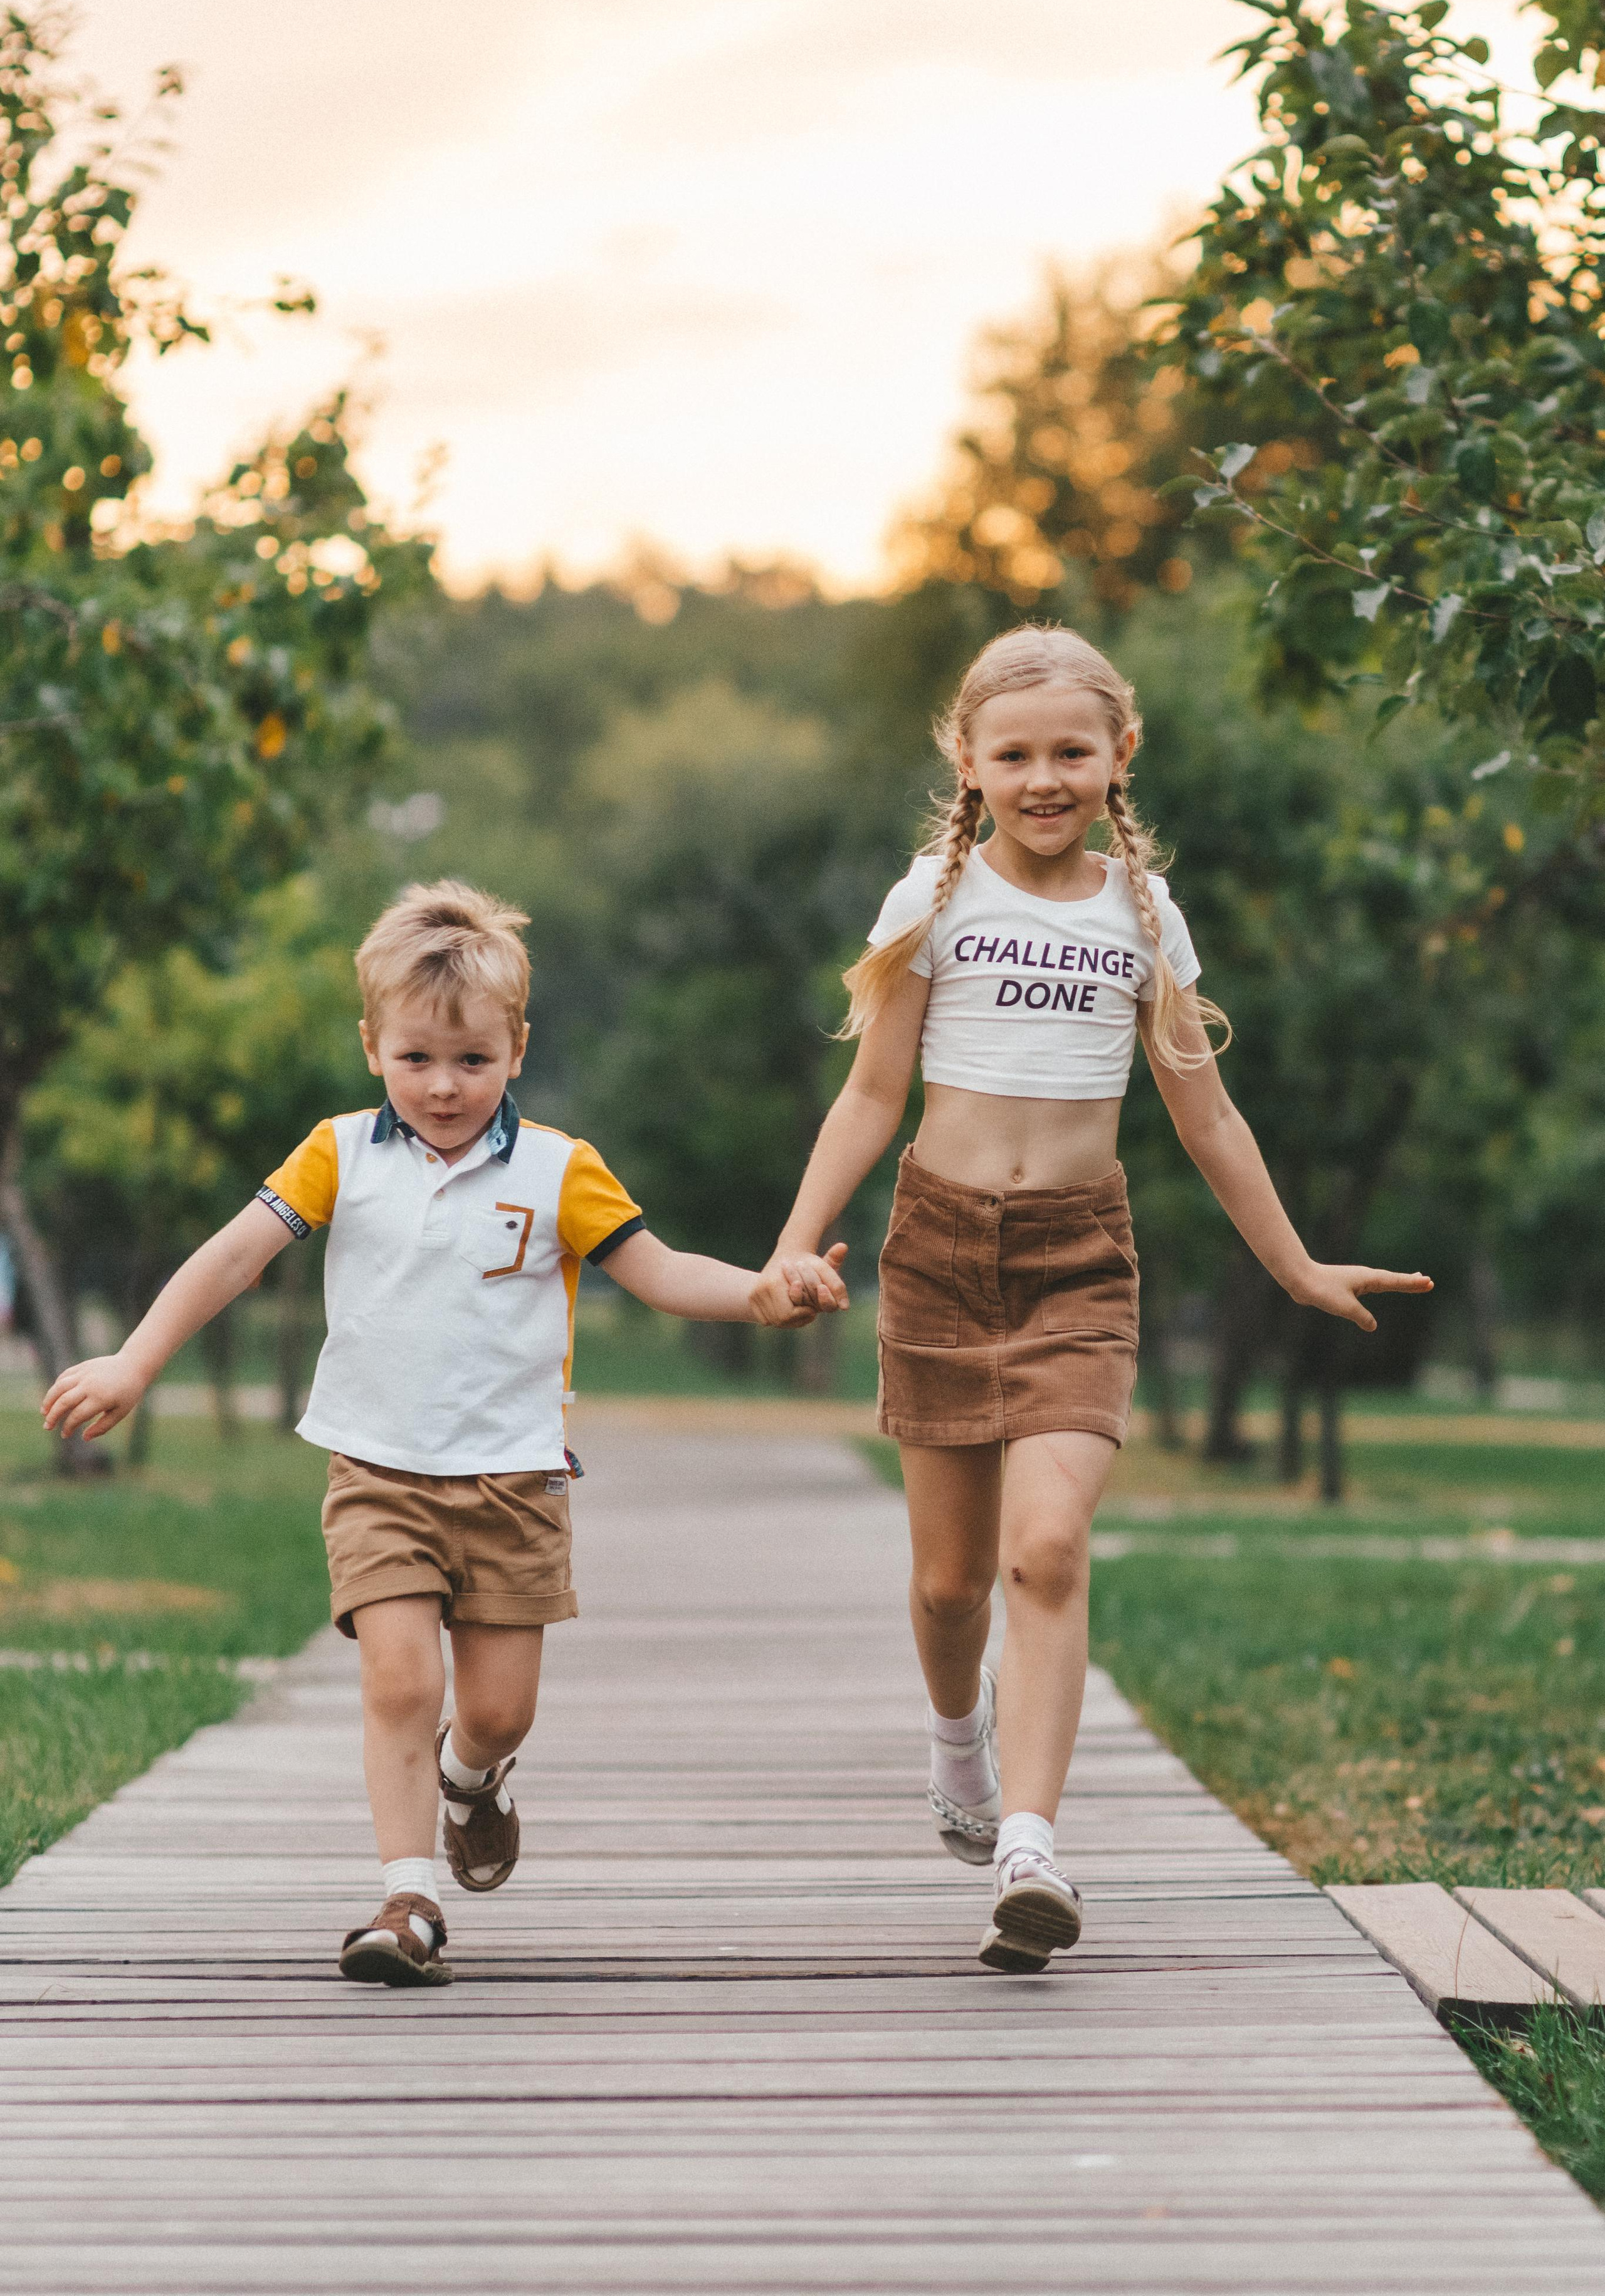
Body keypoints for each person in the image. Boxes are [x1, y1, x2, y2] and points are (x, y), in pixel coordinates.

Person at [750, 626, 1431, 1974]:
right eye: (1014, 754)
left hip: (1076, 1260)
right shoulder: (930, 902)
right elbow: (873, 1094)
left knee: (1044, 1550)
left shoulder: (1141, 916)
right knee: (948, 1587)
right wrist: (794, 1243)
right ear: (969, 762)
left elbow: (1205, 1111)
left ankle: (1031, 1843)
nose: (1043, 777)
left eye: (1071, 750)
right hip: (939, 1251)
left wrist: (1291, 1263)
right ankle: (958, 1745)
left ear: (1119, 756)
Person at [43, 879, 836, 1988]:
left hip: (515, 1480)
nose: (444, 1085)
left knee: (497, 1711)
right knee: (400, 1686)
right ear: (372, 1047)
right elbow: (233, 1255)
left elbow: (656, 1273)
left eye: (472, 1060)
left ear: (517, 1047)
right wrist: (135, 1360)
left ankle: (475, 1779)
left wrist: (759, 1292)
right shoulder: (338, 1154)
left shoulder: (562, 1167)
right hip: (379, 1470)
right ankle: (407, 1900)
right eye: (417, 1059)